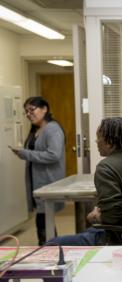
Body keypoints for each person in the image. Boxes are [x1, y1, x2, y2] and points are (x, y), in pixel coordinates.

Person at [49, 117, 122, 245]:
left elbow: (113, 217)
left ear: (109, 142)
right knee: (89, 232)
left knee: (53, 244)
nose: (96, 141)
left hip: (119, 237)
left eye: (98, 137)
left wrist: (96, 216)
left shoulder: (106, 168)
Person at [10, 96, 65, 246]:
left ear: (44, 109)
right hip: (38, 182)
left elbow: (54, 154)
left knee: (43, 222)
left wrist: (25, 153)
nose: (28, 114)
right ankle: (49, 249)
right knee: (43, 221)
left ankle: (49, 251)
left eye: (32, 109)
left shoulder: (52, 129)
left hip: (48, 182)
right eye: (26, 111)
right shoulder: (36, 130)